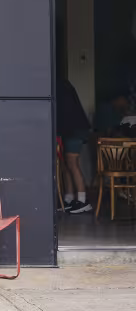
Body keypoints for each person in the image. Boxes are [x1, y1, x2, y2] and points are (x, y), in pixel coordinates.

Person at [56, 76, 93, 214]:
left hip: (74, 130)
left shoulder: (59, 88)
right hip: (74, 129)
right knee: (66, 164)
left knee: (71, 163)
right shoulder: (64, 86)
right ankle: (70, 198)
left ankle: (83, 201)